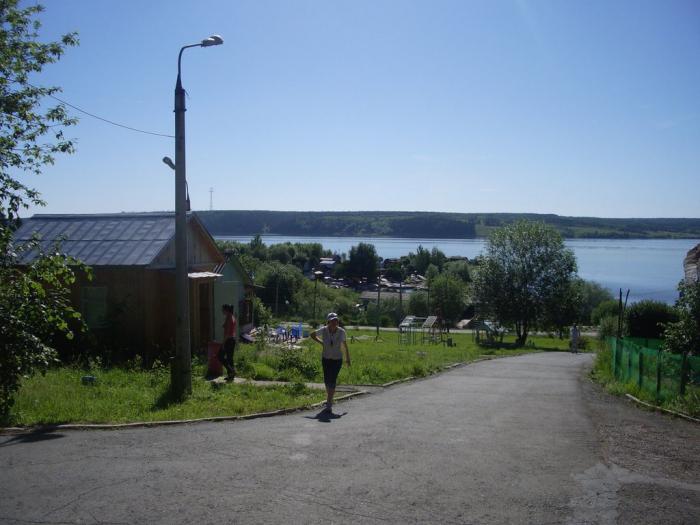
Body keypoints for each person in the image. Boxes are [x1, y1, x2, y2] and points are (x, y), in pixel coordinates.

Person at [310, 312, 351, 413]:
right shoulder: (324, 330)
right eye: (332, 321)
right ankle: (330, 398)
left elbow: (345, 346)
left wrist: (348, 359)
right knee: (326, 380)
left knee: (332, 379)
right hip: (326, 358)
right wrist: (321, 343)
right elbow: (312, 334)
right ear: (328, 322)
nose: (334, 322)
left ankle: (329, 403)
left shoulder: (341, 331)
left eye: (336, 320)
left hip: (337, 359)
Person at [219, 304, 237, 380]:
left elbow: (227, 333)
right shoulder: (231, 316)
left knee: (220, 356)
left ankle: (231, 370)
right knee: (230, 358)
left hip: (228, 340)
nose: (221, 311)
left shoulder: (229, 317)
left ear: (226, 310)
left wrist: (223, 343)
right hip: (232, 339)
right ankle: (231, 376)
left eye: (222, 309)